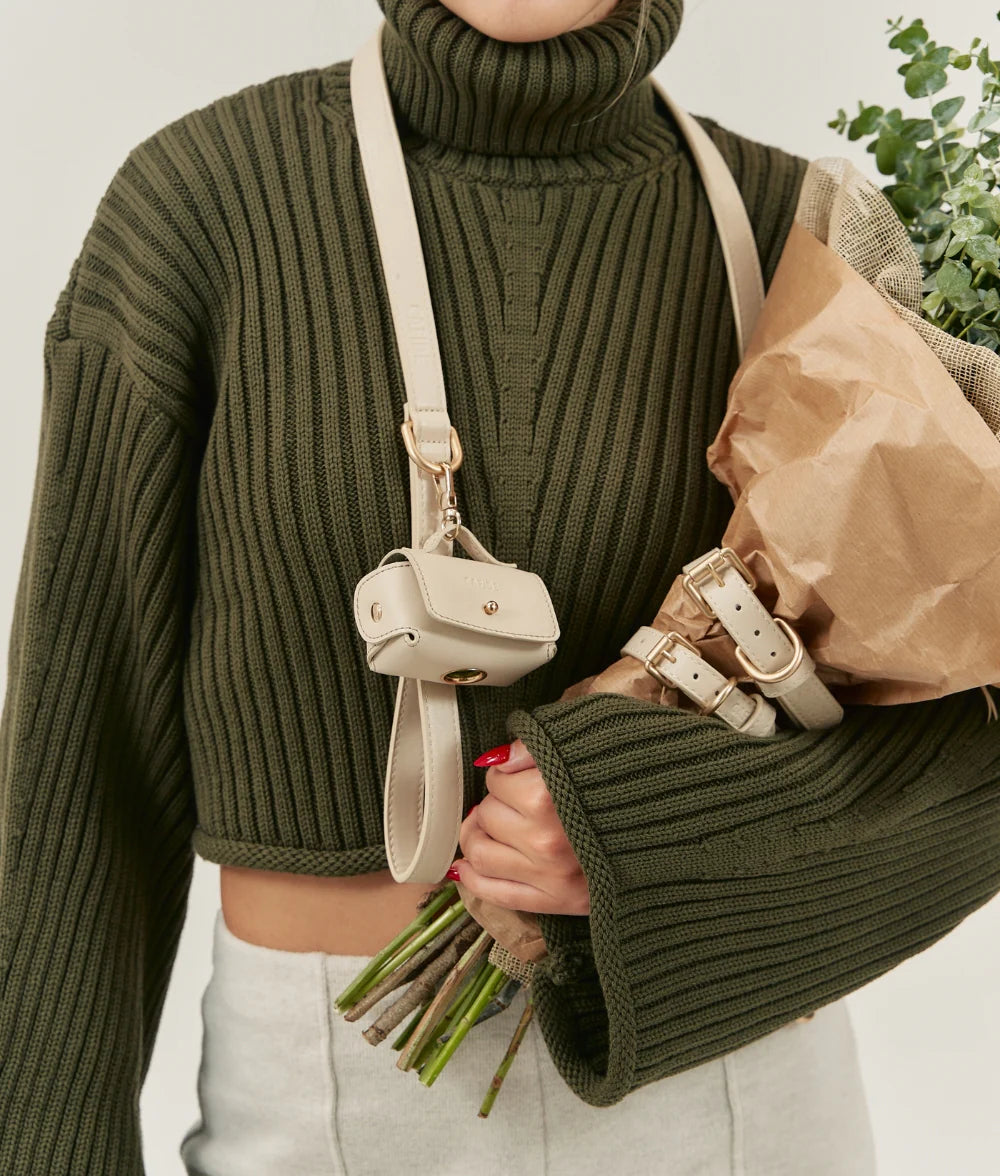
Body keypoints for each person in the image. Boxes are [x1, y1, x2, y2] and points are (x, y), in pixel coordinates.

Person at [2, 0, 998, 1172]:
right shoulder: (202, 206)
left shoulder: (808, 237)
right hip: (328, 1102)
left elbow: (970, 751)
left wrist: (639, 826)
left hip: (738, 1094)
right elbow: (81, 764)